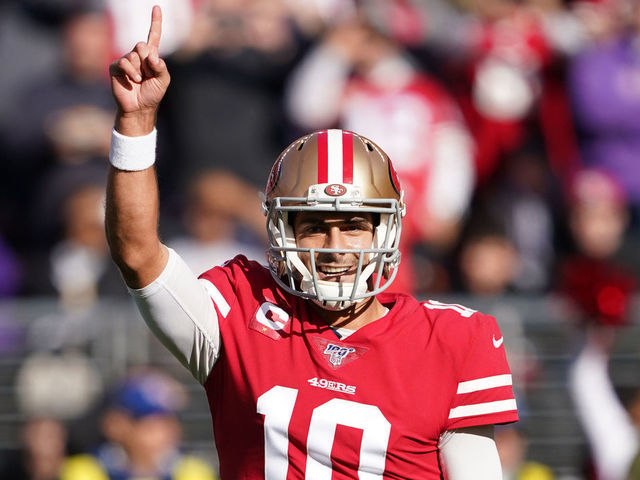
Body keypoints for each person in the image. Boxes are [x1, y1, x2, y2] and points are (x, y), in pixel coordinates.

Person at [105, 6, 518, 478]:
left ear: (386, 231)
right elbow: (137, 254)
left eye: (355, 225)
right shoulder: (241, 309)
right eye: (315, 226)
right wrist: (135, 124)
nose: (336, 245)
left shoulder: (452, 340)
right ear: (284, 233)